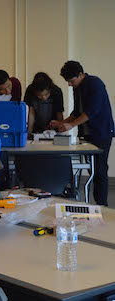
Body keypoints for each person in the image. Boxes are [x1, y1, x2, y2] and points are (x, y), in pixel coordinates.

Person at [51, 60, 115, 206]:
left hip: (101, 133)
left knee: (99, 170)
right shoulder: (77, 87)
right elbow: (77, 111)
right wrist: (62, 123)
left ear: (81, 74)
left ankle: (102, 205)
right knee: (92, 168)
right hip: (86, 134)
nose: (70, 84)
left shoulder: (95, 83)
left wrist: (71, 125)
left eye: (71, 81)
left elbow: (92, 111)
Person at [24, 72, 64, 137]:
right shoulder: (30, 90)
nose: (44, 98)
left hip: (53, 128)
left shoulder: (56, 91)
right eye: (39, 96)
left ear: (50, 90)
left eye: (46, 94)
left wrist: (60, 130)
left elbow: (59, 112)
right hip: (36, 128)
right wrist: (29, 133)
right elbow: (31, 113)